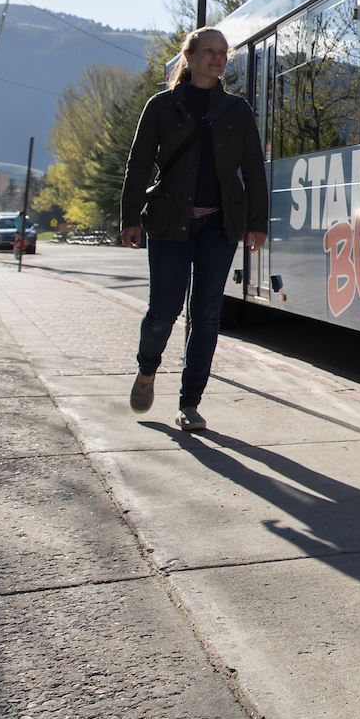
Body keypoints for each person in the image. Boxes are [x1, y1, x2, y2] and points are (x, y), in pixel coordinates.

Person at [119, 27, 269, 434]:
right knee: (162, 312)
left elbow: (253, 169)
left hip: (218, 227)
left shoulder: (236, 110)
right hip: (169, 222)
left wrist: (257, 222)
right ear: (190, 56)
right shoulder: (162, 106)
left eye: (223, 53)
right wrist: (130, 218)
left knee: (204, 317)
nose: (218, 58)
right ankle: (147, 370)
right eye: (209, 52)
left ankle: (190, 404)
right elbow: (138, 165)